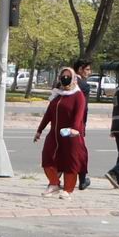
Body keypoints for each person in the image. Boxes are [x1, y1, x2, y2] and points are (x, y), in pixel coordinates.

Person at [35, 67, 89, 197]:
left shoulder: (78, 95)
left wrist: (74, 129)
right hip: (54, 135)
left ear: (74, 78)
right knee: (47, 158)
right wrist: (39, 130)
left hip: (71, 135)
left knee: (70, 163)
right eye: (63, 76)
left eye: (68, 76)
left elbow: (79, 115)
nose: (65, 78)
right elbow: (48, 114)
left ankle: (68, 190)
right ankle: (54, 184)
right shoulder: (57, 95)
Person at [71, 58, 96, 189]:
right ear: (80, 69)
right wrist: (83, 125)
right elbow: (83, 108)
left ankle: (55, 180)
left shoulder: (63, 81)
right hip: (77, 124)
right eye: (87, 69)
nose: (89, 72)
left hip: (62, 122)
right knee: (80, 152)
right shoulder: (83, 85)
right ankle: (82, 180)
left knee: (63, 150)